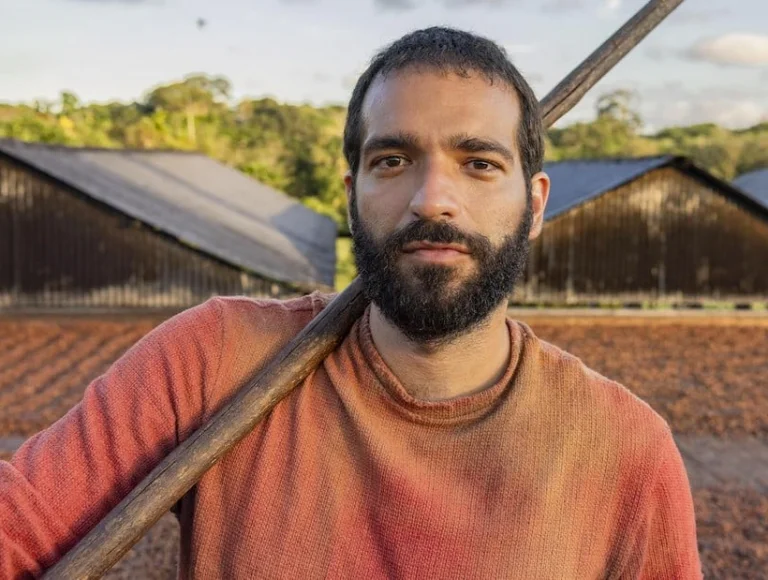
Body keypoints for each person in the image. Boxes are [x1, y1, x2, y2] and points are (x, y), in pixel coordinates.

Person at [1, 27, 702, 579]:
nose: (432, 198)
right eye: (392, 161)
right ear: (351, 193)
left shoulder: (625, 452)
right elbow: (18, 523)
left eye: (480, 163)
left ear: (536, 203)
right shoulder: (217, 360)